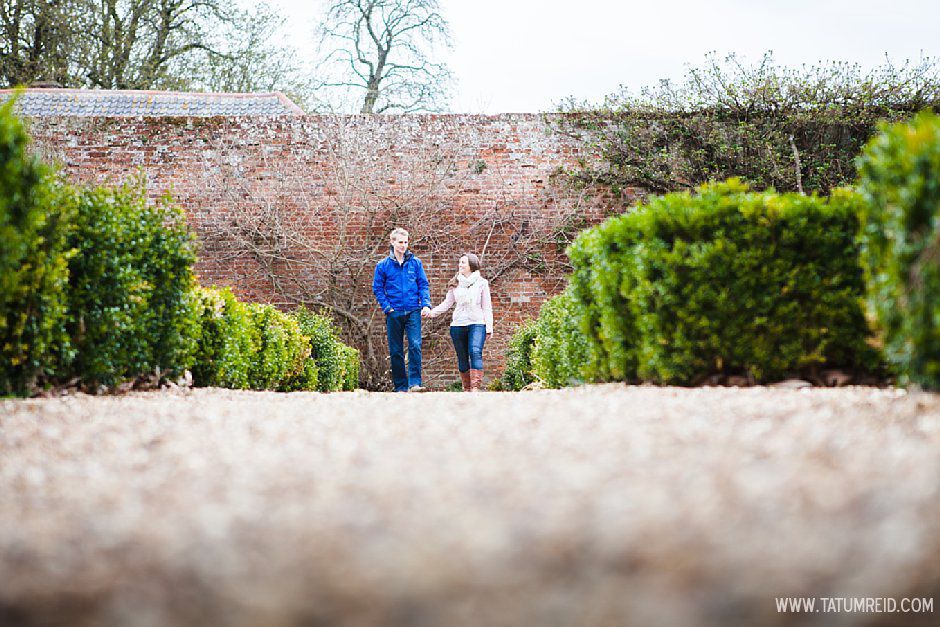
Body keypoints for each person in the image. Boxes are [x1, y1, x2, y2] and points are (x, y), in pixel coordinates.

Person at [372, 228, 432, 392]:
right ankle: (400, 386)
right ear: (392, 242)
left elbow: (423, 285)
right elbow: (377, 288)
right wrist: (387, 307)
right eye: (400, 242)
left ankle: (415, 383)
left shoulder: (415, 263)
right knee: (396, 350)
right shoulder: (383, 265)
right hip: (394, 312)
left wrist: (426, 304)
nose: (403, 245)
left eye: (406, 242)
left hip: (413, 310)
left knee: (415, 345)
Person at [425, 253, 493, 392]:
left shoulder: (482, 283)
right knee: (462, 356)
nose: (460, 265)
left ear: (471, 266)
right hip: (458, 325)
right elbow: (447, 303)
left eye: (463, 263)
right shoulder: (455, 283)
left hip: (477, 323)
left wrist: (489, 327)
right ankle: (466, 388)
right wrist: (432, 313)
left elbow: (487, 306)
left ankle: (475, 387)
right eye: (460, 262)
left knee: (475, 351)